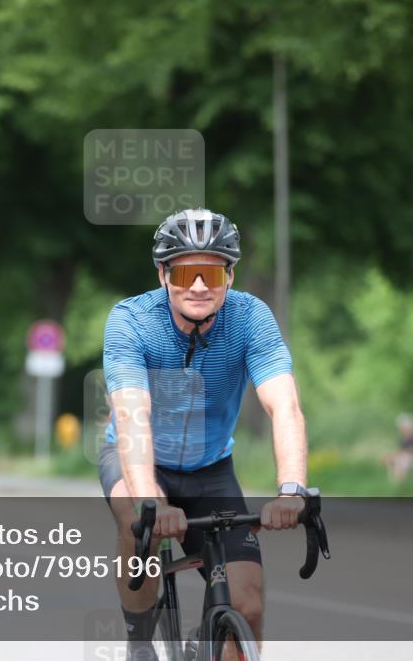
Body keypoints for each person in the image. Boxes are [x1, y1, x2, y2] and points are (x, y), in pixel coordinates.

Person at [99, 208, 308, 660]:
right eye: (185, 271)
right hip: (137, 458)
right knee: (140, 523)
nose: (198, 285)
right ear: (163, 275)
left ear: (230, 276)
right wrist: (150, 501)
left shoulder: (251, 318)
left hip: (210, 466)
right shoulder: (131, 321)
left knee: (247, 605)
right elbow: (133, 416)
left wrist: (292, 488)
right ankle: (140, 642)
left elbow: (284, 405)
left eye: (211, 272)